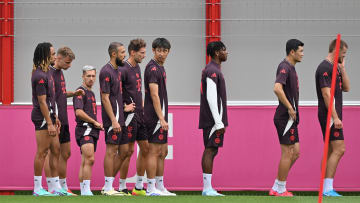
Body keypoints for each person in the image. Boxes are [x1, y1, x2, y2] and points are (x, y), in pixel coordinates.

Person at [45, 46, 83, 196]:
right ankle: (51, 187)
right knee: (51, 153)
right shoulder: (48, 73)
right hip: (54, 119)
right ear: (58, 58)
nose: (69, 66)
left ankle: (62, 187)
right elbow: (45, 98)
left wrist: (73, 93)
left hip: (64, 118)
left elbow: (59, 94)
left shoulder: (60, 73)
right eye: (67, 62)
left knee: (65, 153)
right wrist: (52, 118)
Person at [99, 42, 135, 196]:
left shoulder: (118, 71)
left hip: (121, 118)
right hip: (112, 120)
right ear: (113, 54)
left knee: (125, 150)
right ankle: (107, 188)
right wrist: (113, 120)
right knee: (111, 151)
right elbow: (105, 98)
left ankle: (110, 185)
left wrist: (124, 108)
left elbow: (116, 96)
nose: (124, 55)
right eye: (121, 52)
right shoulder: (105, 71)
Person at [315, 39, 349, 197]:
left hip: (333, 115)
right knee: (339, 148)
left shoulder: (335, 68)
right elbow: (326, 94)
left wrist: (342, 68)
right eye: (343, 53)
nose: (344, 56)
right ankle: (327, 188)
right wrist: (335, 117)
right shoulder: (324, 68)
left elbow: (347, 88)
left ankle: (324, 187)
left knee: (330, 150)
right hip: (329, 115)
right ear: (336, 50)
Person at [270, 39, 304, 197]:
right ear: (292, 52)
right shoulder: (284, 67)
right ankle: (281, 189)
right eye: (301, 51)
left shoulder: (291, 68)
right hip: (285, 117)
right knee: (288, 152)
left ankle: (276, 186)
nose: (302, 54)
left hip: (291, 118)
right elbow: (277, 88)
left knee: (295, 153)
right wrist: (290, 107)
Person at [115, 38, 148, 196]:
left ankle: (139, 187)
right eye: (141, 53)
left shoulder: (138, 68)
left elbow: (138, 92)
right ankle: (121, 186)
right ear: (132, 52)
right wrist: (123, 108)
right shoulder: (123, 70)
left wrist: (142, 110)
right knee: (127, 151)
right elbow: (114, 95)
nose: (144, 56)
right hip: (128, 117)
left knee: (146, 148)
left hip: (140, 116)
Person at [144, 38, 175, 196]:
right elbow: (154, 95)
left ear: (168, 52)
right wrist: (161, 118)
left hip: (160, 117)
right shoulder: (153, 69)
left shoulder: (160, 68)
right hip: (154, 117)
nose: (162, 54)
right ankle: (150, 188)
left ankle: (160, 186)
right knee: (154, 152)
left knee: (163, 151)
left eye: (165, 51)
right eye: (159, 50)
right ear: (153, 50)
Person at [31, 42, 62, 196]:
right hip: (42, 118)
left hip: (50, 116)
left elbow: (51, 99)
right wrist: (49, 122)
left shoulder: (48, 73)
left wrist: (55, 117)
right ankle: (37, 188)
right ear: (45, 55)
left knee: (56, 150)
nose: (55, 56)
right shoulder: (39, 75)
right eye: (53, 53)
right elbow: (42, 101)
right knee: (42, 152)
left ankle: (54, 187)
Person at [199, 41, 228, 196]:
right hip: (212, 120)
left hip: (214, 119)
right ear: (217, 52)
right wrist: (218, 122)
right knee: (210, 150)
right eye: (224, 50)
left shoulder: (215, 70)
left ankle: (208, 188)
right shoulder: (212, 70)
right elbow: (211, 97)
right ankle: (207, 188)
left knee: (212, 150)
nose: (226, 52)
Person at [73, 65, 103, 196]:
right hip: (85, 129)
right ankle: (86, 190)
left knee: (85, 160)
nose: (91, 78)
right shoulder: (80, 91)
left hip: (92, 129)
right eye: (88, 76)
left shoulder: (92, 92)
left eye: (93, 76)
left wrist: (97, 125)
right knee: (90, 159)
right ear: (83, 76)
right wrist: (94, 122)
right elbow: (78, 112)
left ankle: (83, 190)